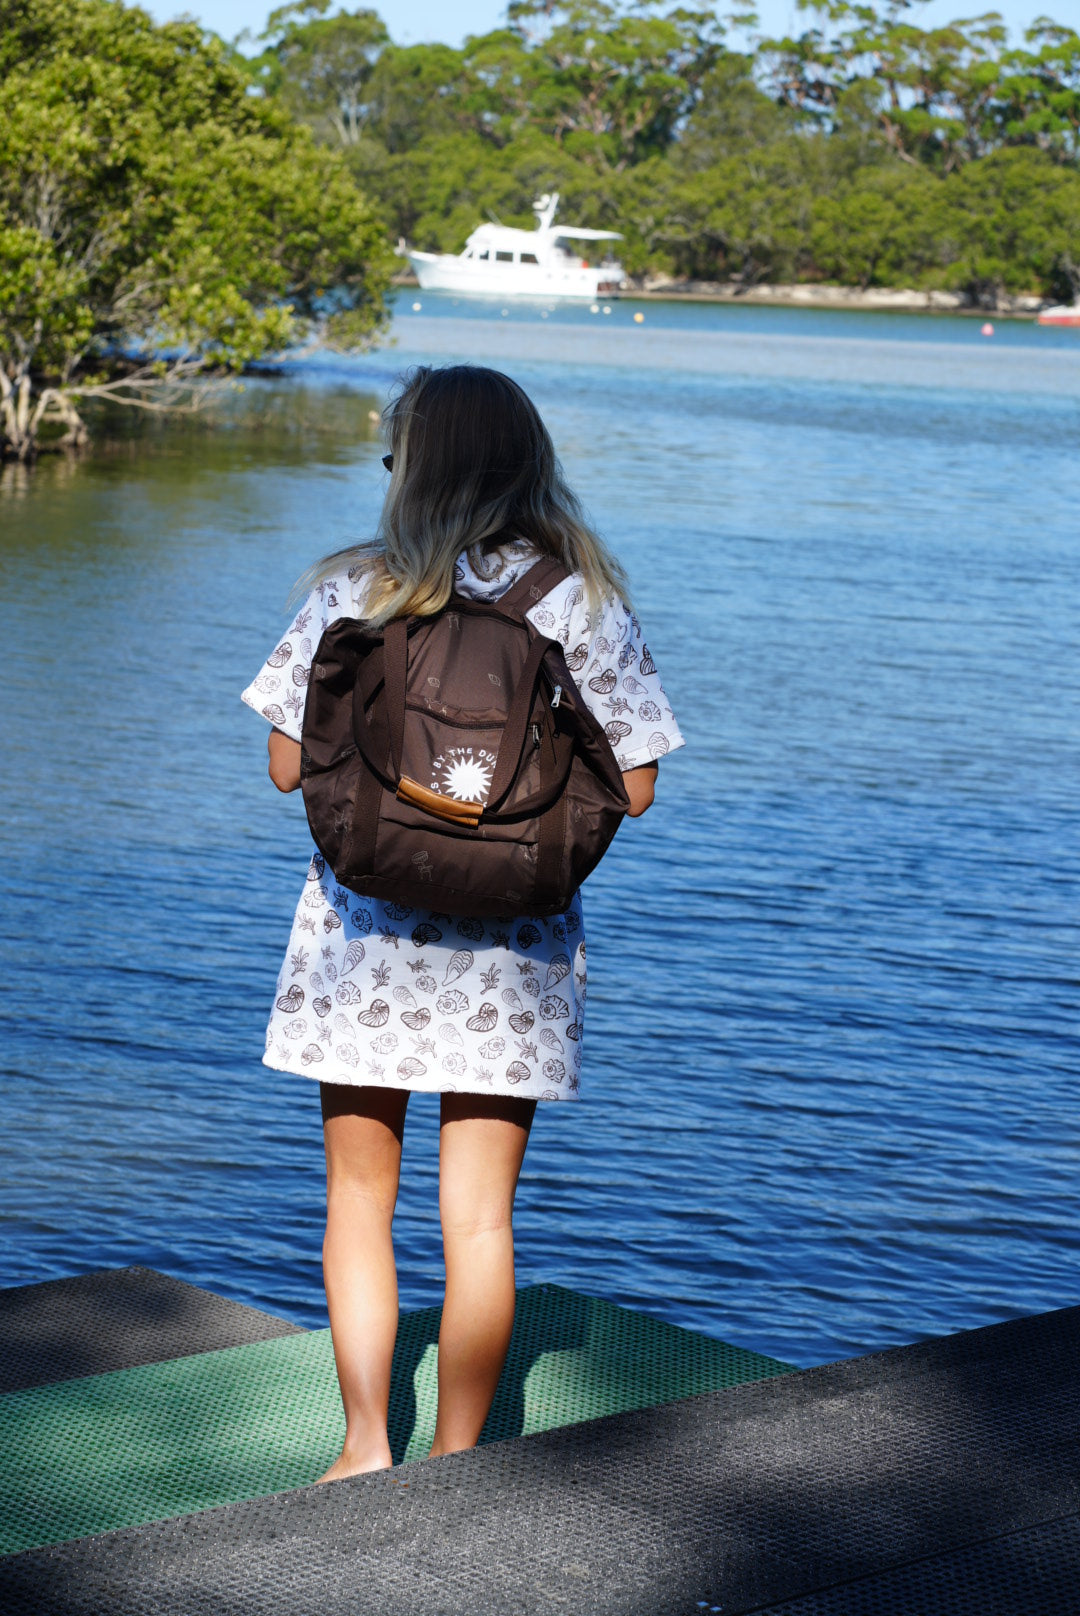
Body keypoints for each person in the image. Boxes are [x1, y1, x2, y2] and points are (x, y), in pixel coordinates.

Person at [242, 363, 684, 1482]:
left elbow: (288, 768)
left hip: (362, 940)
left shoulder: (357, 587)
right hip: (512, 950)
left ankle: (360, 1446)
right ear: (529, 464)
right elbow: (634, 786)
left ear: (412, 467)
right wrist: (501, 789)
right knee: (480, 1220)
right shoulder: (578, 597)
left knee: (359, 1198)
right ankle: (459, 1457)